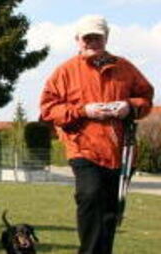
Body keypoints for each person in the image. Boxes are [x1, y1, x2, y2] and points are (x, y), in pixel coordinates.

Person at [40, 15, 154, 254]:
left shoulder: (125, 68)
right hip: (82, 147)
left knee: (111, 212)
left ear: (106, 38)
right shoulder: (65, 71)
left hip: (119, 150)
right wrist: (84, 110)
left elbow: (146, 98)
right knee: (90, 196)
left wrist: (129, 106)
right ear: (77, 40)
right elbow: (48, 110)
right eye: (87, 38)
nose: (92, 42)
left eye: (97, 37)